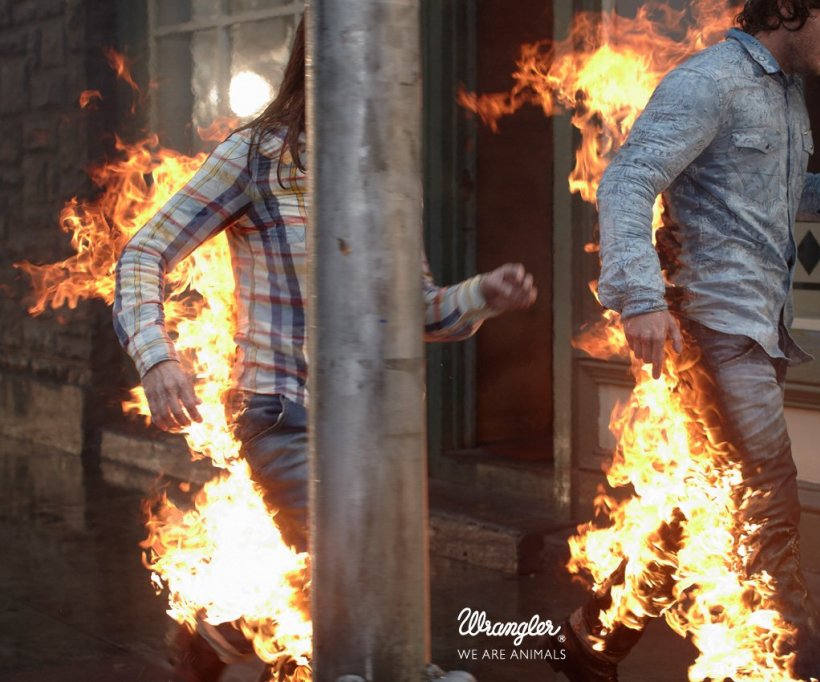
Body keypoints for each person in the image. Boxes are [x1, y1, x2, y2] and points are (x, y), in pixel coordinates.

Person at [113, 17, 536, 682]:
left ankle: (216, 636)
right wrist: (157, 356)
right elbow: (144, 251)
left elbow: (415, 311)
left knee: (369, 575)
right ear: (324, 64)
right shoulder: (256, 156)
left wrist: (483, 293)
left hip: (377, 430)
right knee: (350, 570)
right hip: (283, 415)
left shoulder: (386, 172)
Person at [551, 1, 820, 681]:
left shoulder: (783, 92)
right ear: (792, 9)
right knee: (767, 506)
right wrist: (642, 296)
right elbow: (628, 177)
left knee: (693, 503)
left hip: (758, 331)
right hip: (714, 334)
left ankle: (593, 639)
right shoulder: (709, 81)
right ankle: (800, 668)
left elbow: (768, 192)